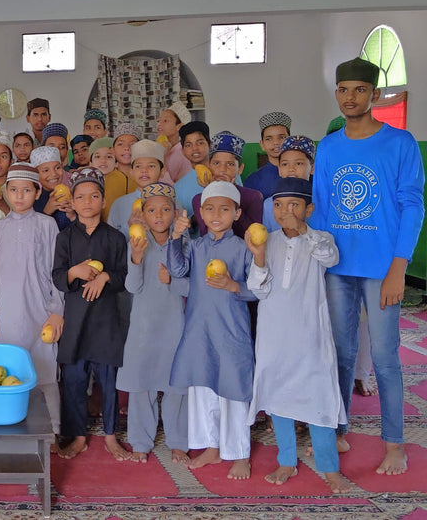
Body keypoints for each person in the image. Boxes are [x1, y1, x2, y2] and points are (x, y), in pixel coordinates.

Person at [311, 57, 424, 475]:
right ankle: (338, 426)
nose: (350, 97)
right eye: (344, 90)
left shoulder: (400, 143)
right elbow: (321, 209)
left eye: (360, 90)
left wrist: (399, 267)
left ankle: (394, 442)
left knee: (385, 356)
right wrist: (317, 265)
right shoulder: (329, 145)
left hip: (381, 268)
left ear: (374, 95)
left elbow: (412, 205)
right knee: (340, 351)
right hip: (338, 266)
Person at [245, 177, 353, 493]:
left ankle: (329, 466)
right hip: (274, 332)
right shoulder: (268, 240)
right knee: (279, 395)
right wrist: (260, 255)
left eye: (293, 205)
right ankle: (287, 461)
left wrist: (304, 231)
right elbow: (257, 288)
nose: (285, 212)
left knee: (318, 393)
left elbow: (330, 257)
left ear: (309, 209)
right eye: (278, 205)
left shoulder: (320, 238)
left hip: (310, 334)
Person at [167, 181, 257, 480]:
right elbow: (177, 270)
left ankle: (239, 453)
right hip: (199, 330)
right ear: (200, 214)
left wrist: (234, 285)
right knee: (202, 389)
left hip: (231, 331)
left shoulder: (243, 247)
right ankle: (211, 446)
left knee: (233, 391)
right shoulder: (196, 245)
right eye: (209, 208)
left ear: (237, 212)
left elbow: (258, 289)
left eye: (224, 208)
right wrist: (176, 237)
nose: (216, 214)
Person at [51, 167, 129, 459]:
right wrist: (75, 271)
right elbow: (57, 276)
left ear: (104, 200)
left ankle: (111, 436)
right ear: (72, 200)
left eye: (94, 196)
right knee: (73, 381)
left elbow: (124, 276)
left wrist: (105, 277)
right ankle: (79, 437)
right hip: (75, 319)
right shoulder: (65, 238)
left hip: (106, 319)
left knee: (109, 381)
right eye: (81, 196)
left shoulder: (116, 238)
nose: (87, 202)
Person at [0, 164, 63, 434]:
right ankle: (12, 430)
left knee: (46, 374)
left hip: (42, 309)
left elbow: (57, 271)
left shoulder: (47, 224)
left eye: (27, 190)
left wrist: (57, 310)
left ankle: (52, 432)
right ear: (5, 191)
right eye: (14, 190)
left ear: (38, 191)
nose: (19, 196)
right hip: (7, 312)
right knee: (10, 373)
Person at [117, 183, 190, 464]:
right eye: (151, 210)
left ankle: (178, 442)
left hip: (175, 325)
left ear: (175, 212)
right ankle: (140, 441)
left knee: (176, 388)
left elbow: (190, 289)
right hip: (144, 327)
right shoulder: (137, 242)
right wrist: (136, 258)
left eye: (165, 209)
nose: (158, 216)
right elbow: (132, 287)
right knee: (141, 385)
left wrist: (173, 281)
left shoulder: (185, 244)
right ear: (142, 215)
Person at [192, 131, 262, 238]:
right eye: (216, 163)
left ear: (240, 169)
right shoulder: (199, 200)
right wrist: (213, 193)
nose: (222, 170)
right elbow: (208, 235)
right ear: (209, 166)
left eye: (230, 164)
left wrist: (229, 195)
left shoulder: (253, 197)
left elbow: (252, 236)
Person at [106, 139, 167, 236]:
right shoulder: (119, 204)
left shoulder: (172, 202)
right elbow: (110, 242)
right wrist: (129, 226)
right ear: (131, 172)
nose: (144, 170)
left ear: (162, 172)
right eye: (138, 166)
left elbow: (182, 239)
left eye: (151, 166)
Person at [261, 136, 315, 233]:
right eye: (285, 164)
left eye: (298, 163)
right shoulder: (269, 205)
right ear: (279, 170)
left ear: (312, 168)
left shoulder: (321, 203)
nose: (291, 169)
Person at [243, 112, 292, 199]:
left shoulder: (303, 174)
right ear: (262, 144)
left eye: (281, 137)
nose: (276, 143)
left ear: (290, 141)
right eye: (269, 139)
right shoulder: (253, 180)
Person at [173, 121, 212, 217]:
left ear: (210, 145)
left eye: (200, 143)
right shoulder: (178, 188)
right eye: (188, 145)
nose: (195, 148)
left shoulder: (224, 174)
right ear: (183, 151)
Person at [31, 146, 73, 230]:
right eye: (46, 170)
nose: (54, 174)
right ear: (36, 174)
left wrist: (73, 214)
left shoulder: (74, 194)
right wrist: (46, 212)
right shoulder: (32, 200)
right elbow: (32, 236)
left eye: (57, 168)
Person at [157, 101, 192, 182]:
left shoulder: (183, 154)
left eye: (165, 121)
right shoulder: (159, 148)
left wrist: (163, 157)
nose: (159, 124)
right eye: (159, 120)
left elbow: (175, 188)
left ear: (179, 127)